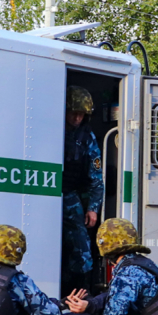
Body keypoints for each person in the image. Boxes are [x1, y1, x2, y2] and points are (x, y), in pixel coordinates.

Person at [61, 86, 104, 293]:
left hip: (69, 195)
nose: (78, 118)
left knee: (82, 250)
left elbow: (96, 178)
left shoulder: (87, 137)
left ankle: (79, 298)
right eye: (73, 112)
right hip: (45, 194)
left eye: (82, 114)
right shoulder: (51, 129)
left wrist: (93, 208)